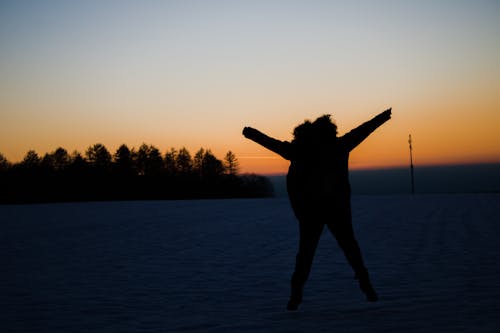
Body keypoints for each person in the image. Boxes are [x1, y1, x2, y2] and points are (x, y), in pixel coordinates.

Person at [242, 108, 392, 310]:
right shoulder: (338, 146)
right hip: (335, 210)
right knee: (350, 249)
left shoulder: (300, 150)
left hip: (311, 212)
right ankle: (367, 287)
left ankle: (296, 295)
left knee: (306, 254)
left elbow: (272, 143)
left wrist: (251, 133)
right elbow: (363, 130)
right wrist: (382, 117)